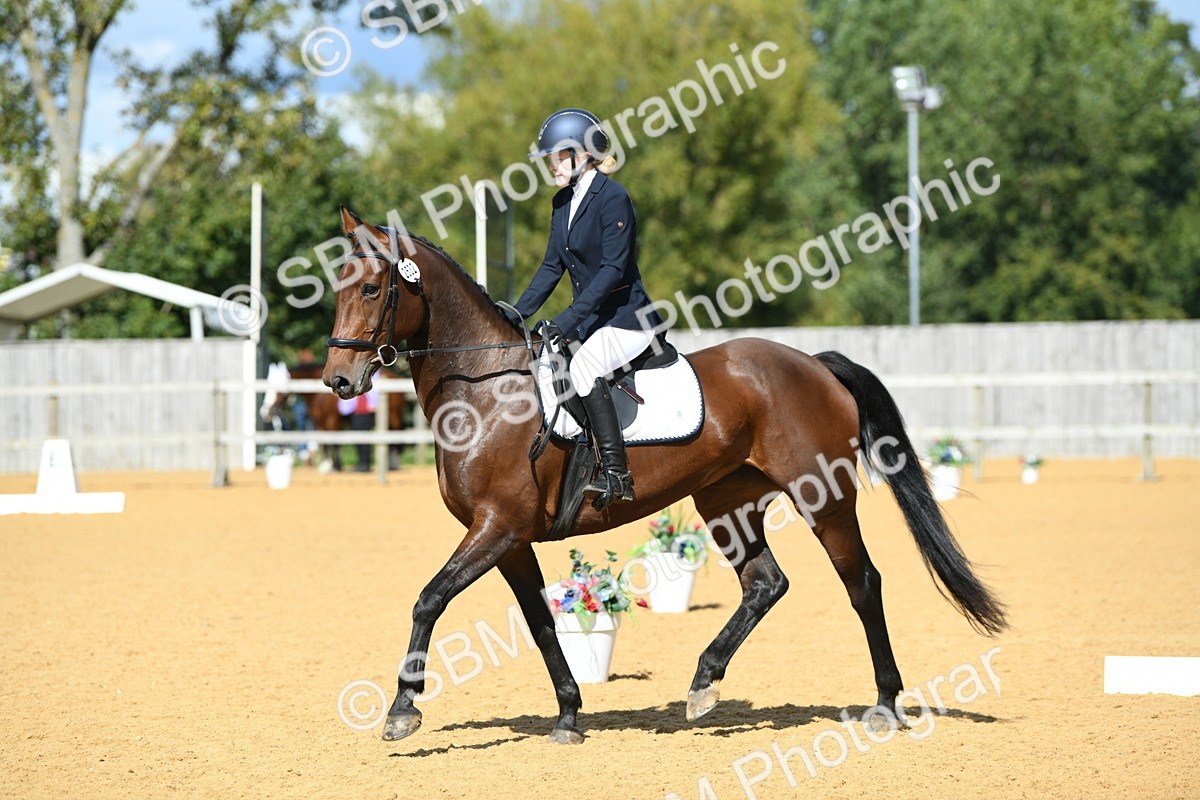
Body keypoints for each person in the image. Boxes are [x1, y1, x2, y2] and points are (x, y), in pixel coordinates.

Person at [512, 108, 666, 511]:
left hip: (628, 319)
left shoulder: (613, 198)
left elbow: (614, 270)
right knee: (547, 368)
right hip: (594, 321)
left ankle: (617, 474)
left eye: (557, 156)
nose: (551, 165)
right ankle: (582, 454)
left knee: (583, 369)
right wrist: (514, 312)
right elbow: (551, 267)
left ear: (583, 154)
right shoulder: (562, 202)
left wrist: (566, 321)